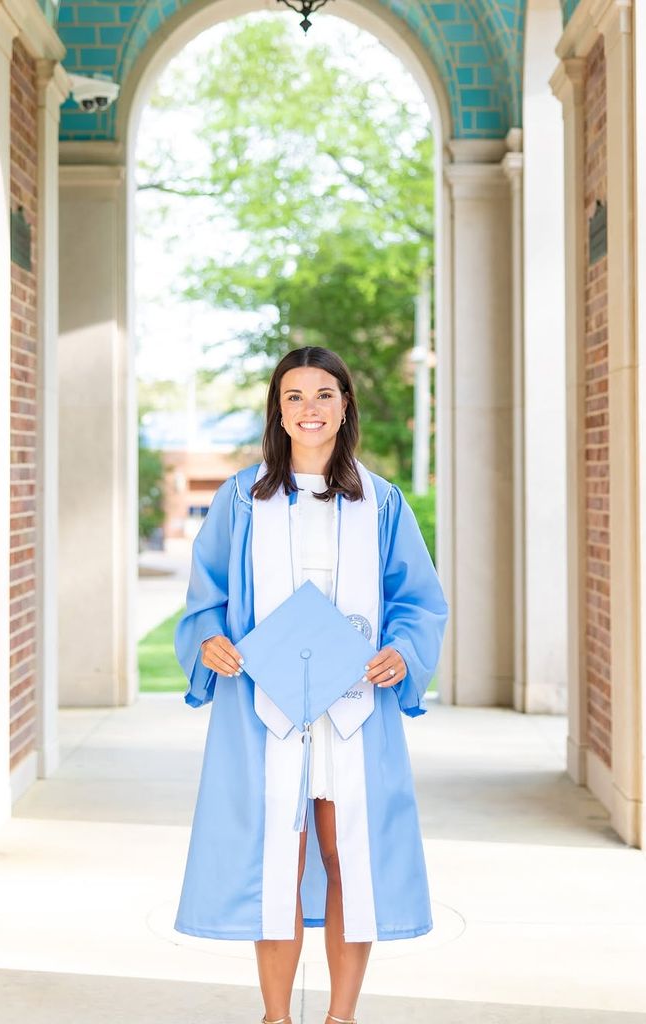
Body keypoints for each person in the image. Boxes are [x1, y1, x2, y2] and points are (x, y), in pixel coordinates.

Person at [173, 346, 449, 1024]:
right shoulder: (242, 497)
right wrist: (208, 638)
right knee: (278, 857)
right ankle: (276, 1017)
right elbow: (204, 596)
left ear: (345, 404)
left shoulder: (379, 502)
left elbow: (417, 600)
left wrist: (402, 652)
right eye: (293, 396)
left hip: (352, 708)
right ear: (277, 410)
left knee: (348, 852)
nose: (309, 409)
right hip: (264, 706)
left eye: (323, 394)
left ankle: (341, 1017)